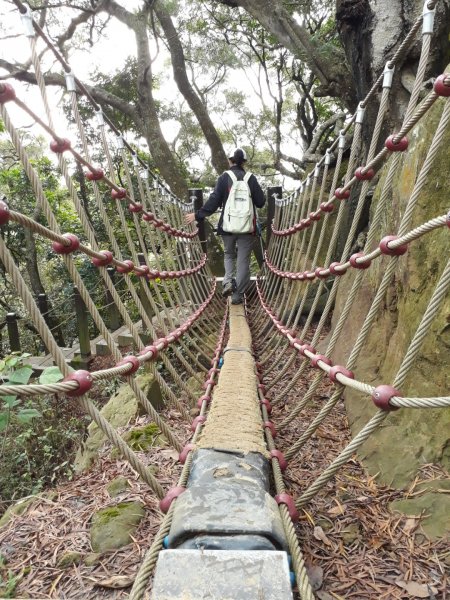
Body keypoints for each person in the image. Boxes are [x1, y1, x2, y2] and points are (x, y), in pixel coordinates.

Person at [185, 148, 265, 305]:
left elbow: (214, 201)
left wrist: (197, 215)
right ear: (244, 162)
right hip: (247, 227)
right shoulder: (251, 178)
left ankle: (228, 281)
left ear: (231, 161)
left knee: (229, 254)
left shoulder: (224, 177)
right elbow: (261, 202)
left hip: (227, 227)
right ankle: (238, 295)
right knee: (243, 260)